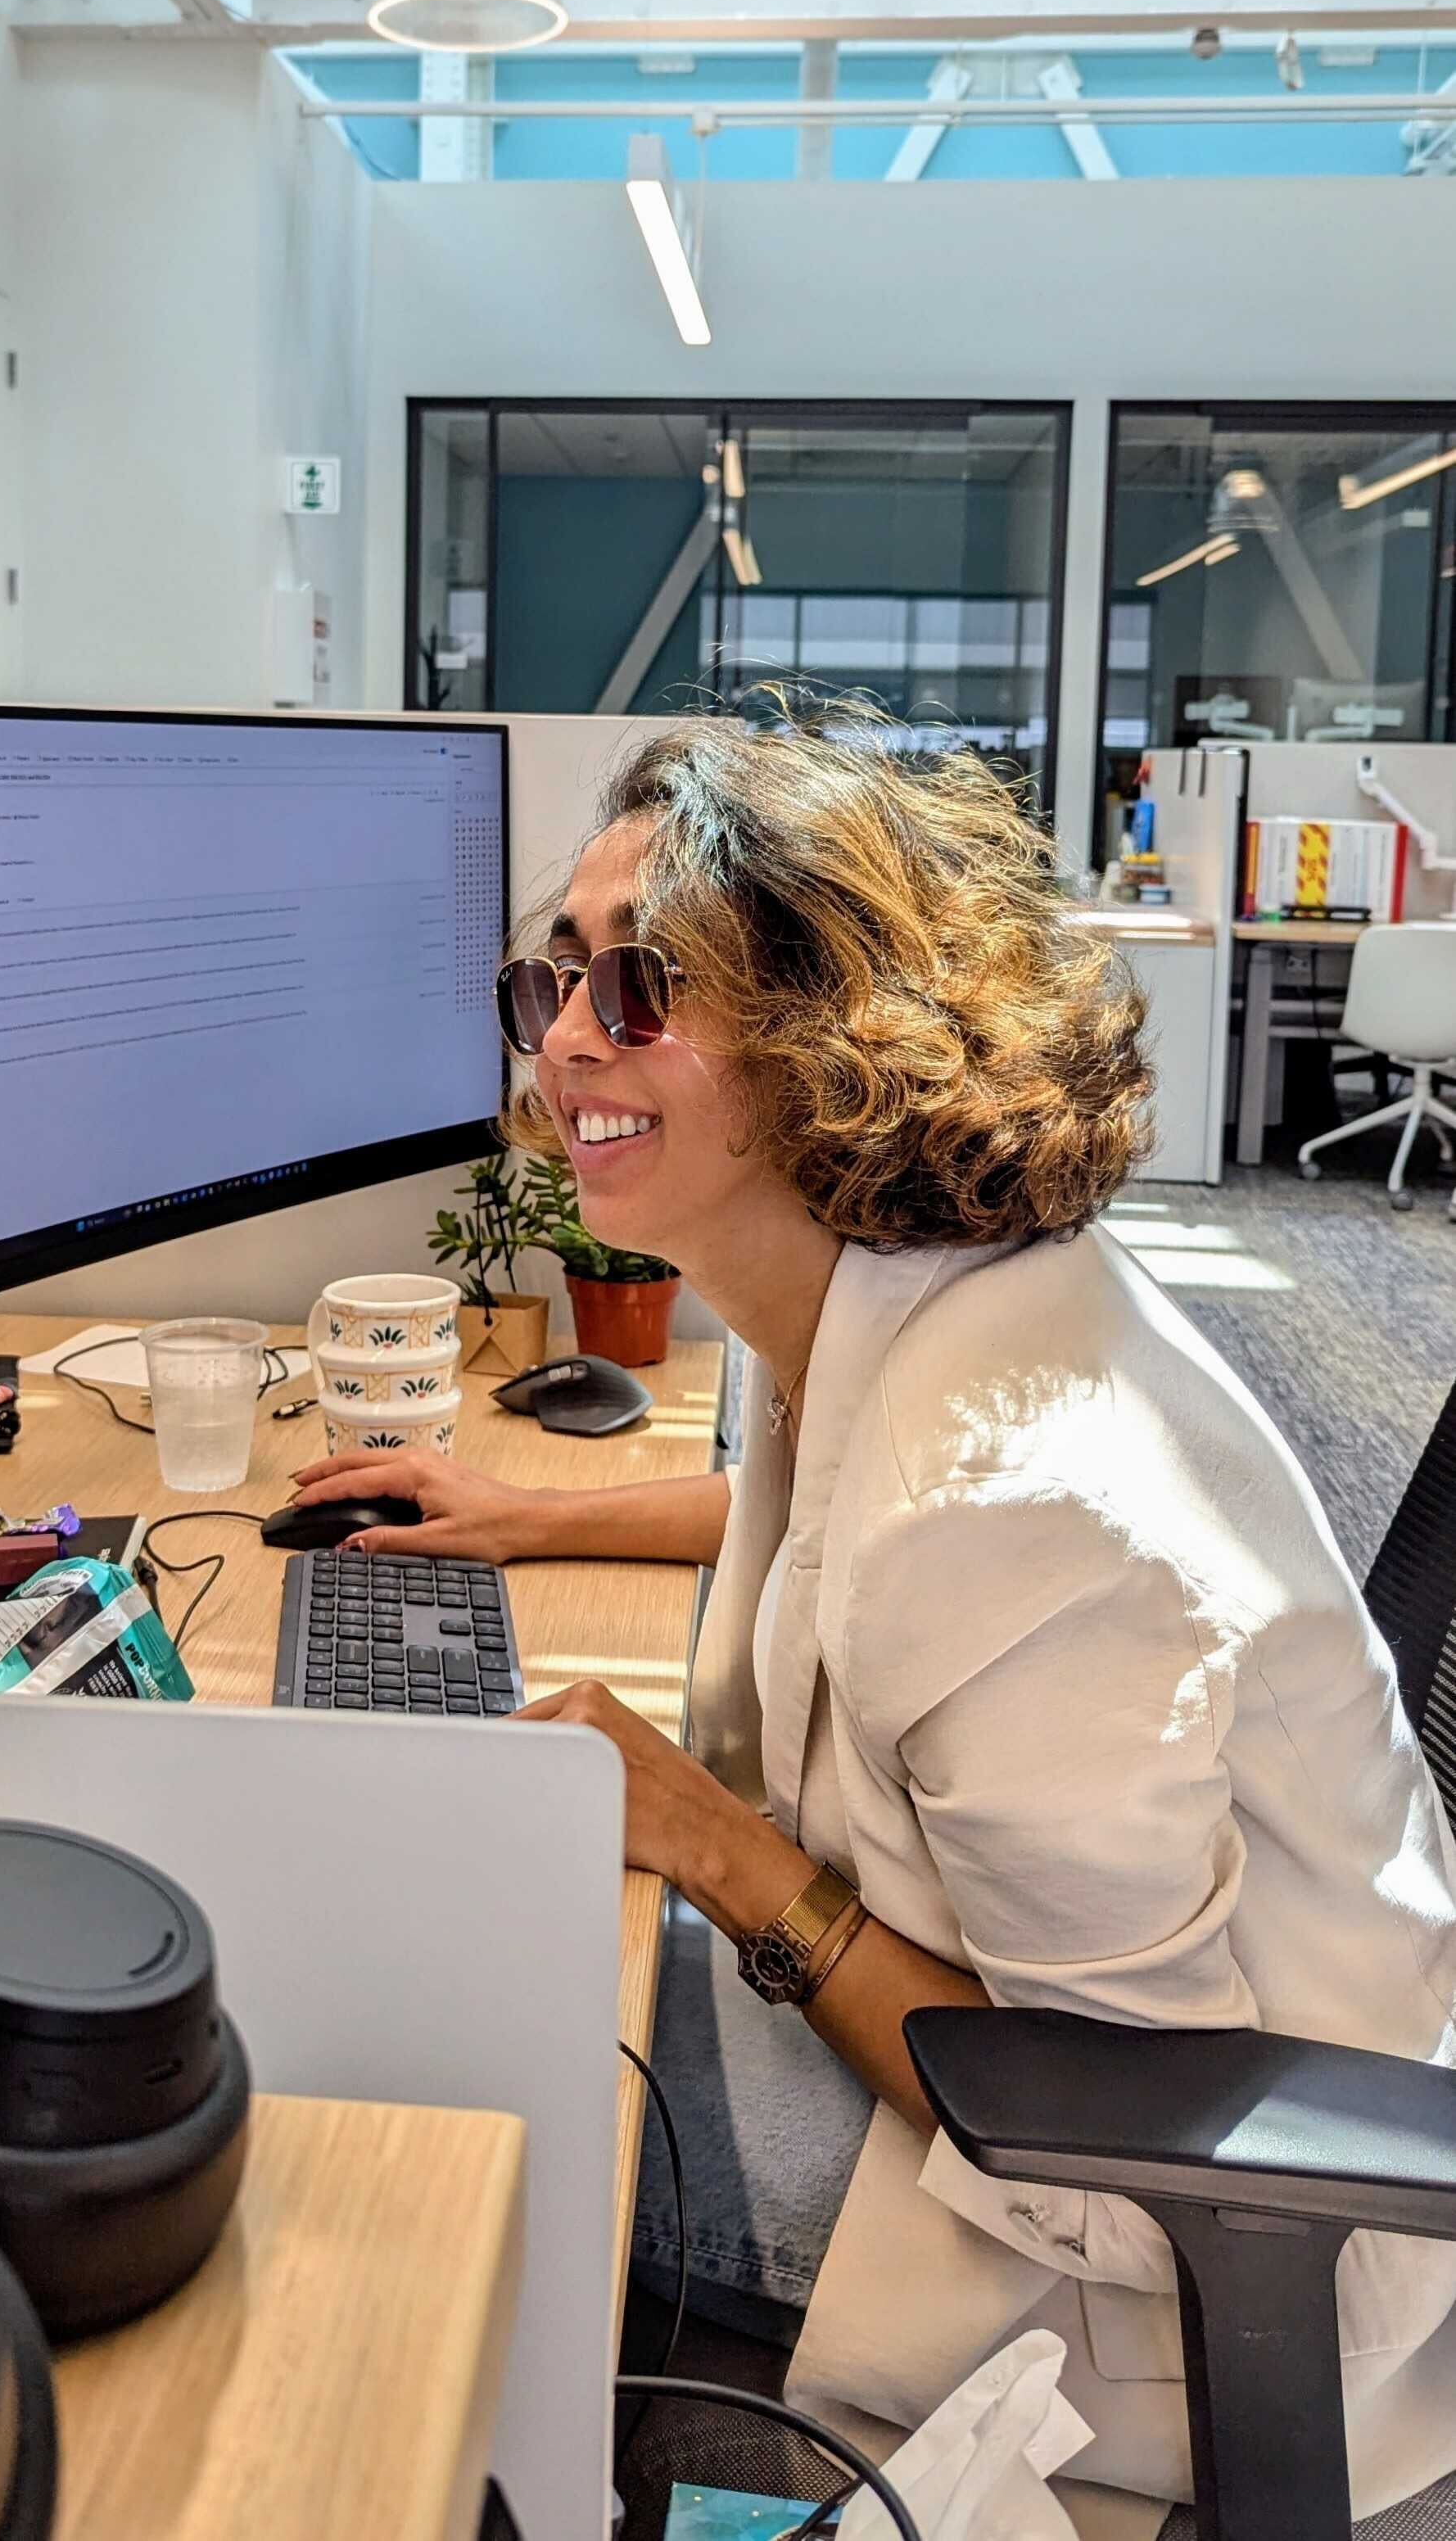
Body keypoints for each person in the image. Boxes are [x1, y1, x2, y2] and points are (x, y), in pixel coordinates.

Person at [291, 719, 1456, 2516]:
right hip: (1016, 2046)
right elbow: (827, 1518)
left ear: (830, 1030)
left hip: (1161, 2252)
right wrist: (524, 1517)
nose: (572, 1035)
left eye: (645, 981)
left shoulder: (1017, 1506)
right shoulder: (899, 1298)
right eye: (557, 977)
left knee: (462, 2109)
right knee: (453, 1977)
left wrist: (716, 1842)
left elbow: (1123, 2159)